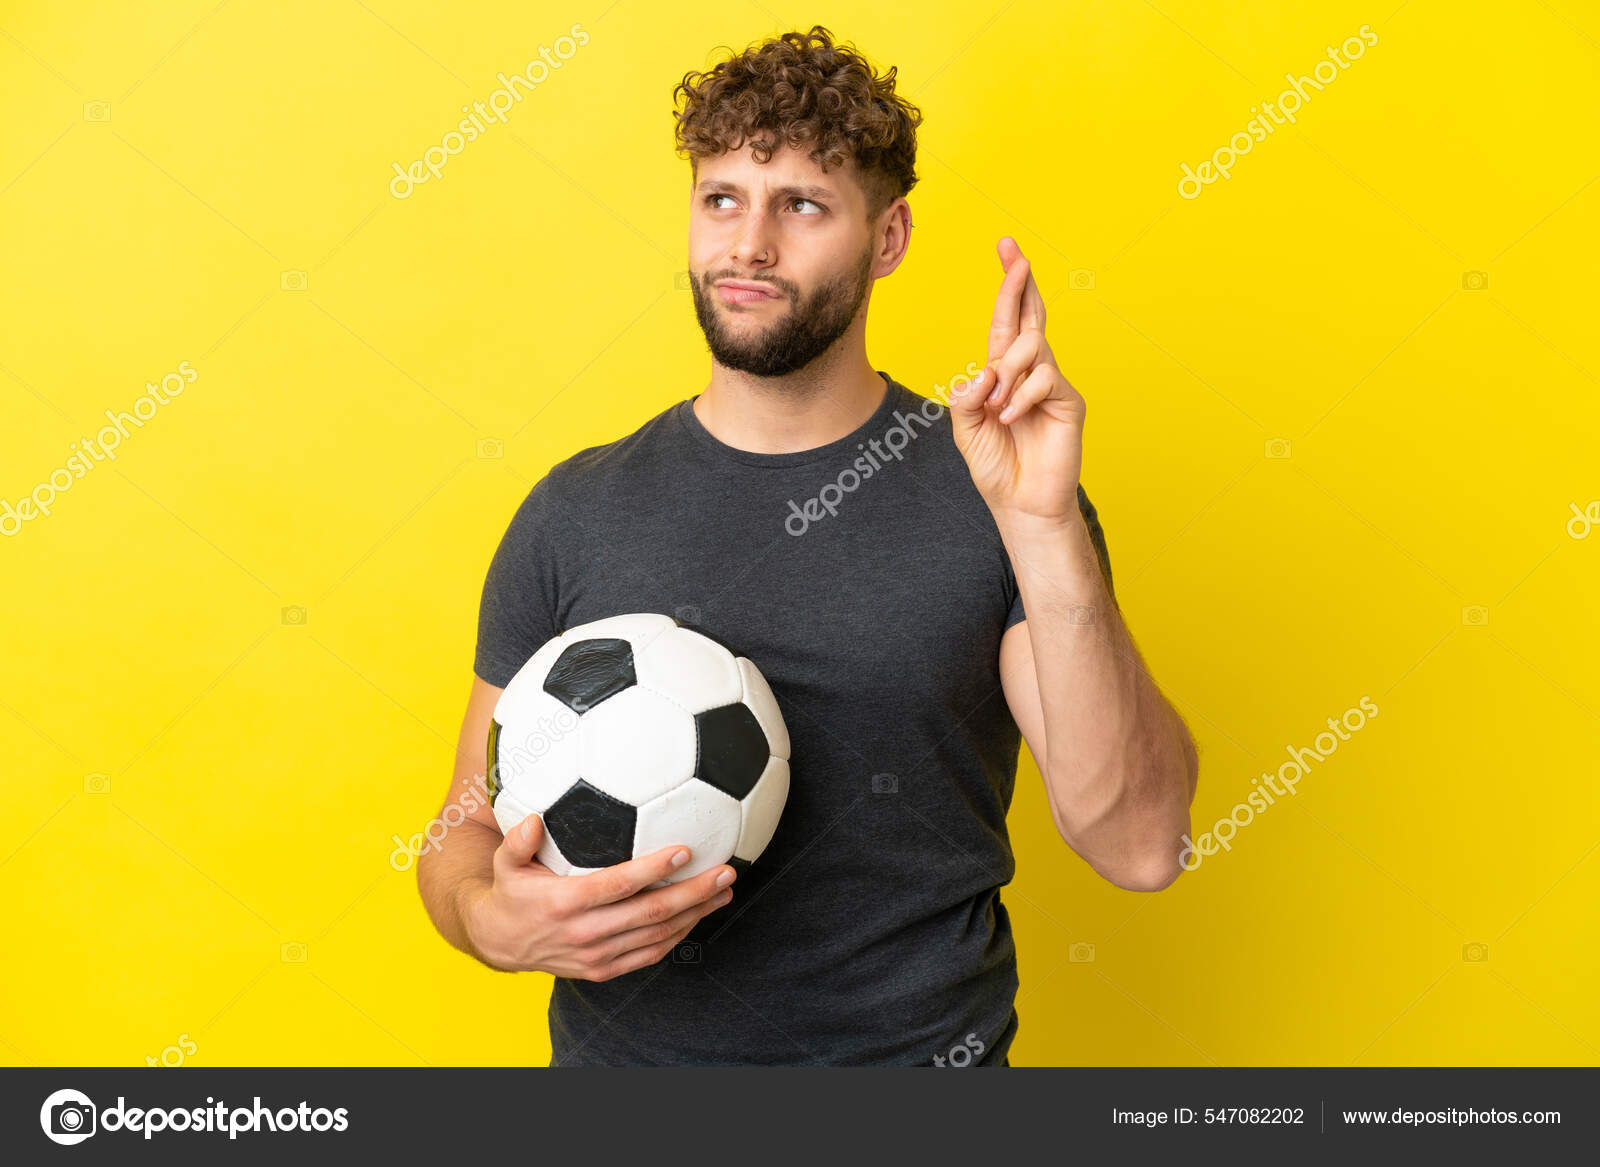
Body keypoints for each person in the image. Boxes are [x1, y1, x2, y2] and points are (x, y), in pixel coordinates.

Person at [416, 24, 1198, 1067]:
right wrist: (484, 915)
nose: (749, 245)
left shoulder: (998, 495)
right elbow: (464, 816)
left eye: (803, 205)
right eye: (722, 198)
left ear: (886, 239)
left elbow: (1139, 845)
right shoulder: (574, 510)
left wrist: (1045, 529)